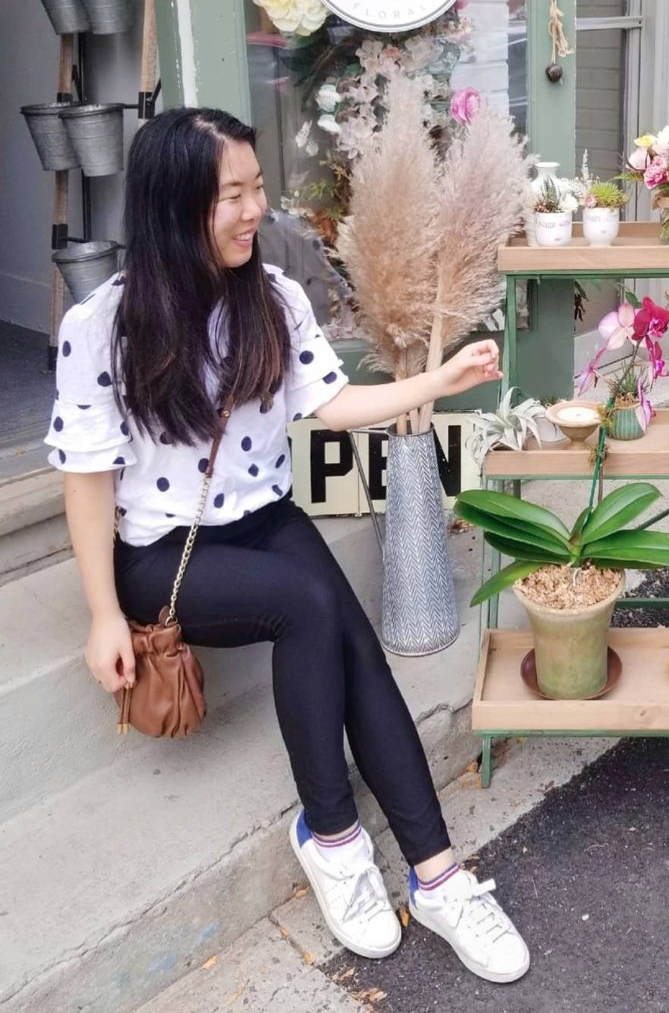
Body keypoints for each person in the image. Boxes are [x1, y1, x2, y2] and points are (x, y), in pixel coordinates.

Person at [45, 107, 529, 984]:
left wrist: (440, 379)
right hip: (164, 553)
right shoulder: (103, 325)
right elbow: (84, 479)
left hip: (262, 519)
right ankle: (334, 835)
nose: (250, 210)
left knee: (352, 643)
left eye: (255, 188)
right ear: (172, 203)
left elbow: (331, 406)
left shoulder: (273, 297)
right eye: (230, 194)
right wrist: (103, 614)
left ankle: (437, 876)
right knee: (310, 603)